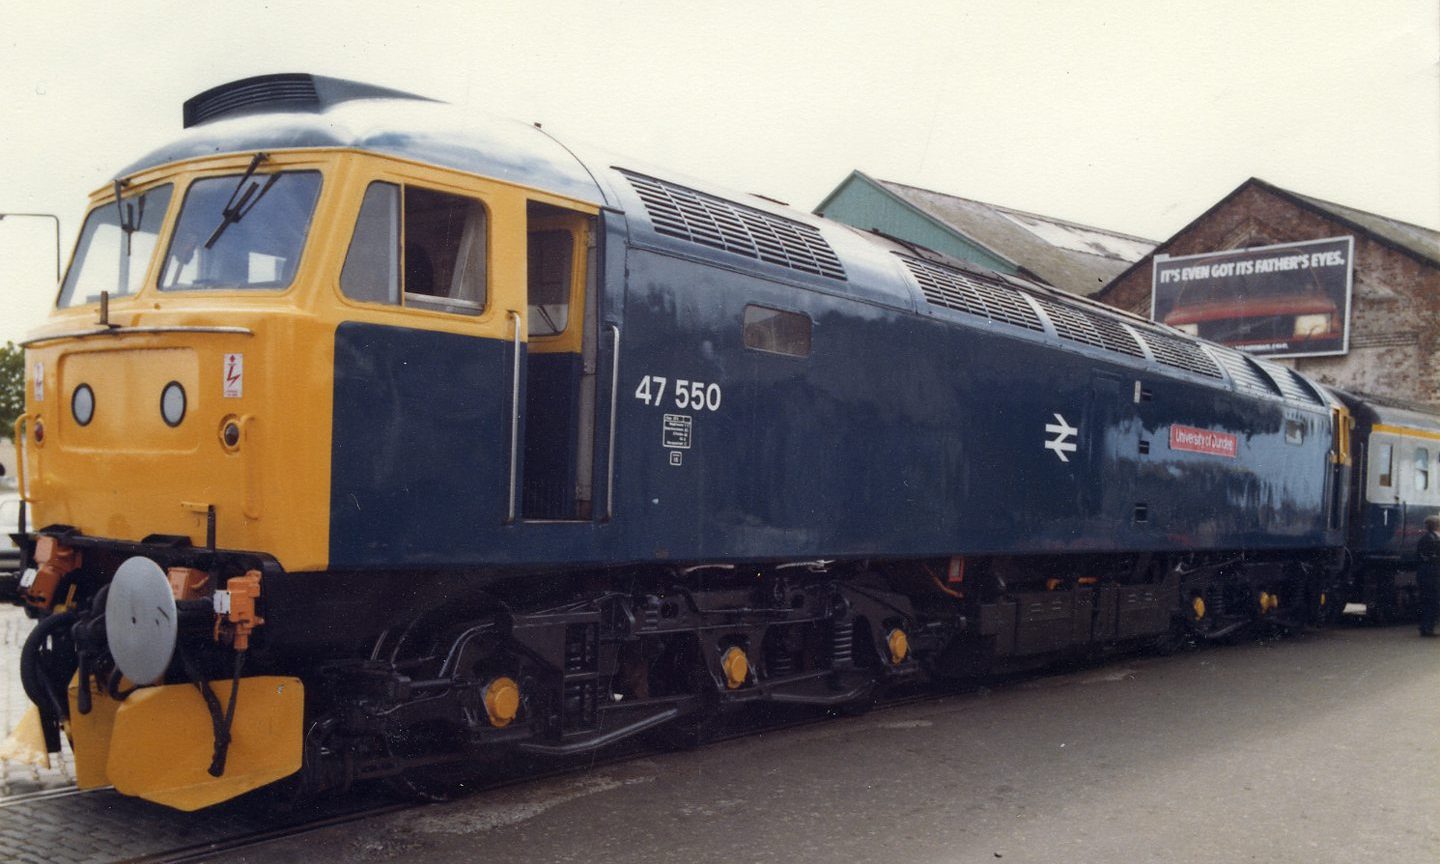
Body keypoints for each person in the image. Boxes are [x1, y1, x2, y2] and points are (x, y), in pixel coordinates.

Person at [1418, 514, 1440, 638]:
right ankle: (1426, 628)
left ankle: (1427, 627)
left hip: (1430, 575)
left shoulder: (1430, 538)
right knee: (1430, 602)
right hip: (1431, 576)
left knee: (1431, 602)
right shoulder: (1430, 539)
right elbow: (1431, 557)